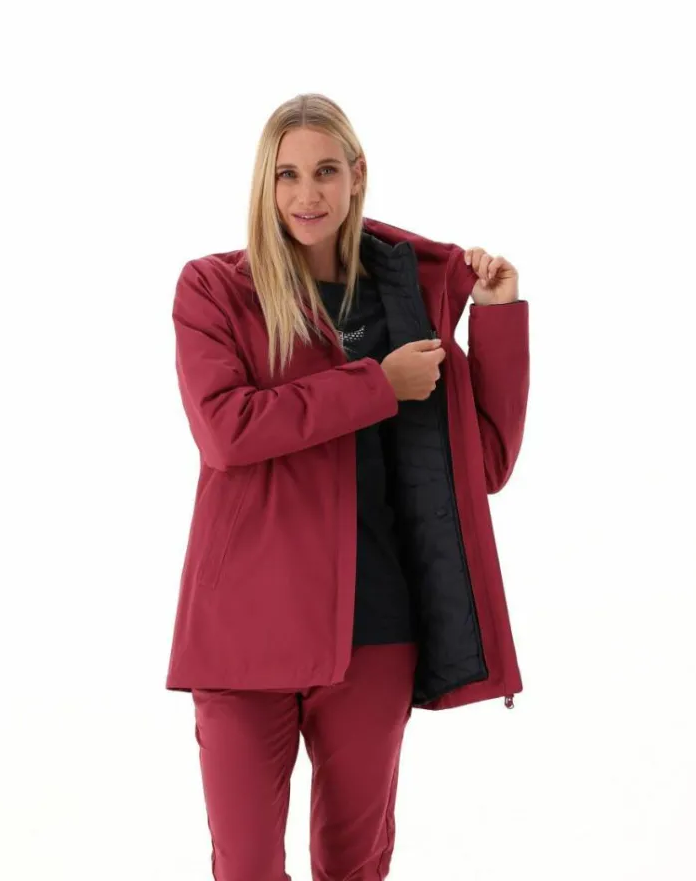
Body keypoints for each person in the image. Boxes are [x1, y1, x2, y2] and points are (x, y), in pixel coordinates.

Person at [165, 92, 529, 881]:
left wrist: (497, 319)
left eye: (326, 171)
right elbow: (227, 431)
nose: (308, 194)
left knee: (354, 866)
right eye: (288, 175)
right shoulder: (214, 289)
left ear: (357, 175)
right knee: (245, 868)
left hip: (376, 629)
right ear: (265, 183)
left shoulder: (404, 301)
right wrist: (375, 386)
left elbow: (484, 466)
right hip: (245, 628)